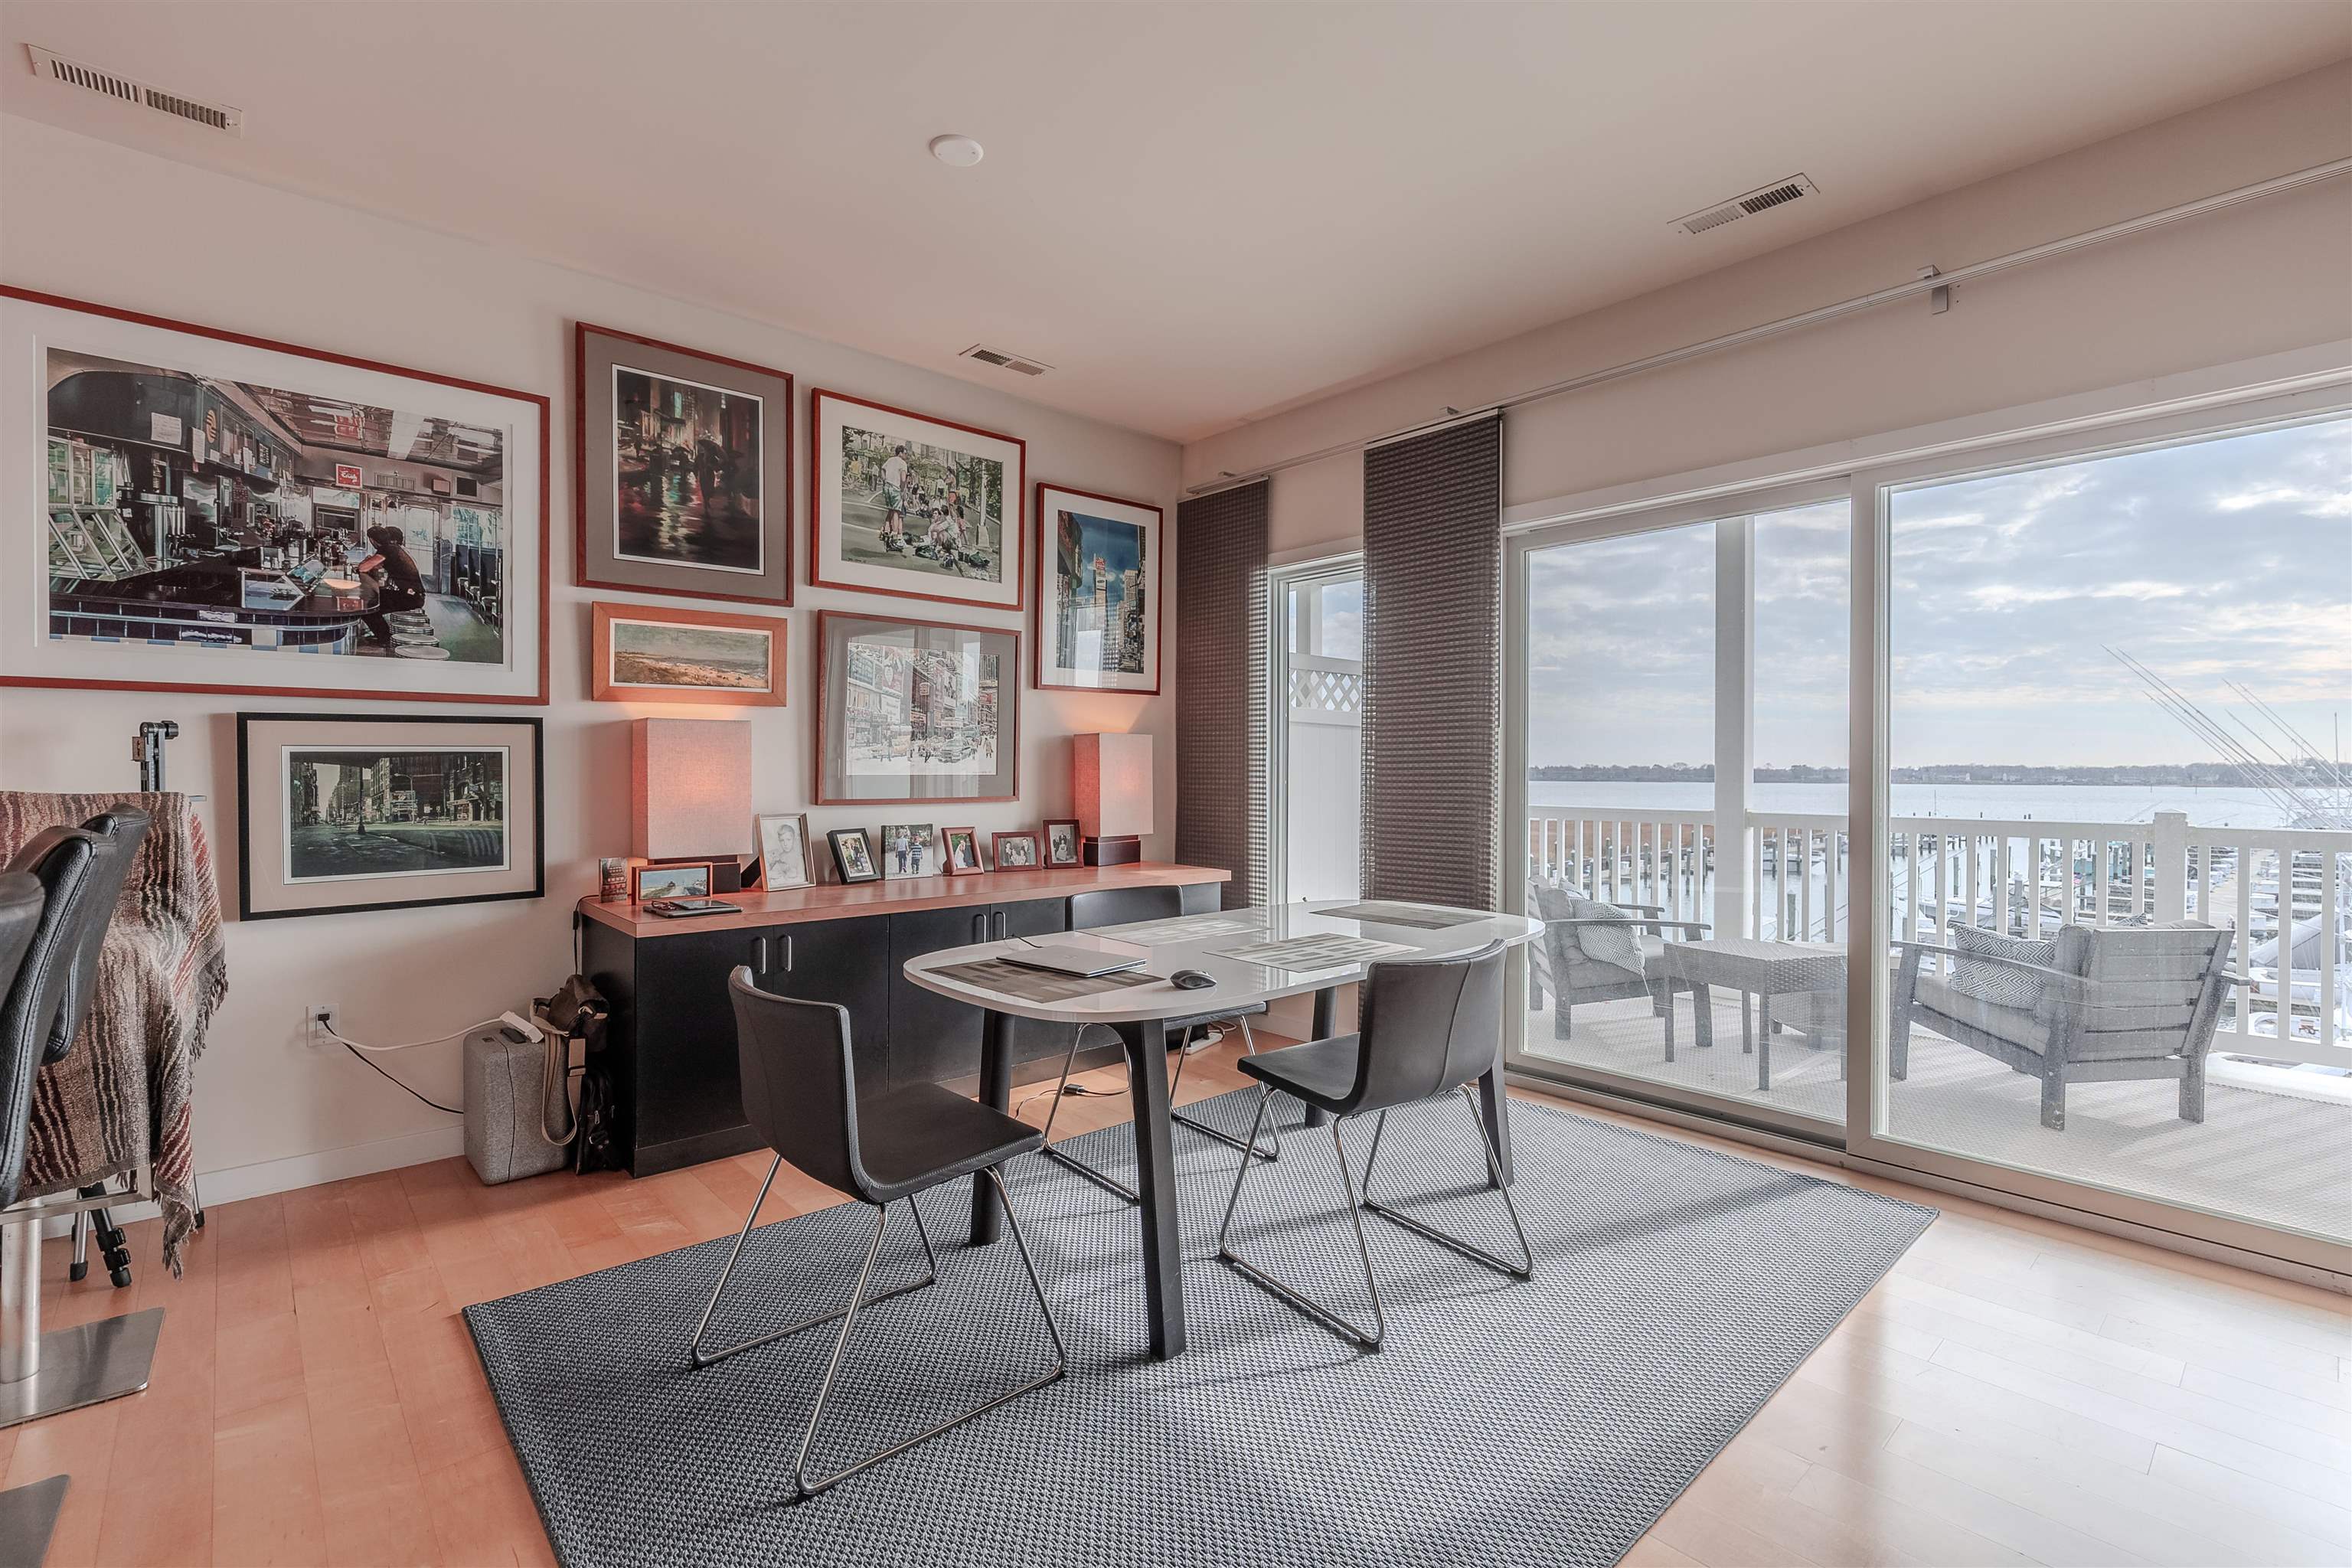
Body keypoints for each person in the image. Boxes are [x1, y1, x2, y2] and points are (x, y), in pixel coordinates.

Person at [357, 524, 426, 652]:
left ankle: (385, 640)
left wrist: (366, 563)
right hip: (415, 595)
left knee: (369, 608)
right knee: (375, 601)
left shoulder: (387, 549)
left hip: (411, 597)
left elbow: (363, 568)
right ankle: (384, 635)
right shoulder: (394, 549)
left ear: (372, 540)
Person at [880, 444, 910, 544]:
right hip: (896, 488)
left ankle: (887, 529)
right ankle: (895, 534)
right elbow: (903, 479)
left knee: (890, 510)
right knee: (897, 512)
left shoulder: (890, 460)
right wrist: (902, 490)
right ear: (900, 453)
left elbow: (883, 470)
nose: (906, 455)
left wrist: (885, 481)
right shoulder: (903, 463)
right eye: (905, 453)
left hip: (887, 487)